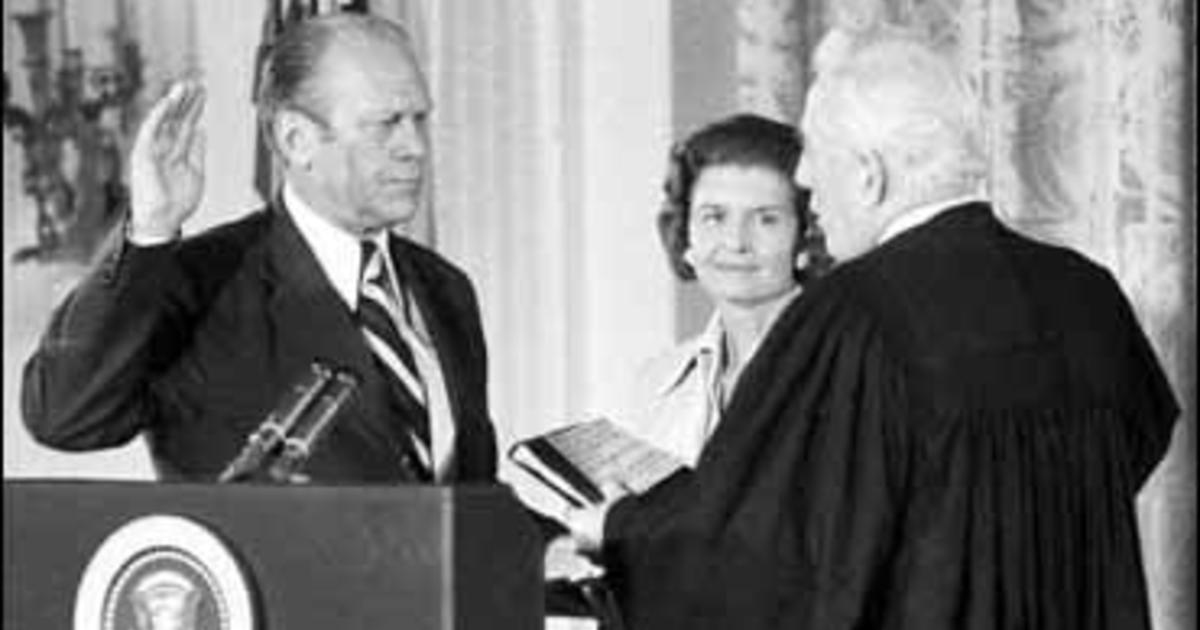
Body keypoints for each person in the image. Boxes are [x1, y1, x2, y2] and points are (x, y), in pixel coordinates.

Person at [564, 27, 1179, 630]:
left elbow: (759, 552)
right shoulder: (1088, 294)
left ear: (868, 174)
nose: (804, 179)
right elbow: (1134, 446)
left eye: (814, 155)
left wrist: (620, 527)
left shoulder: (852, 314)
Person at [21, 13, 497, 484]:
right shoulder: (201, 283)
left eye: (419, 119)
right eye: (387, 123)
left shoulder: (444, 288)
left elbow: (468, 508)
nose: (414, 146)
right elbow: (64, 415)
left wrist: (559, 539)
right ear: (296, 140)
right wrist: (147, 229)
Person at [620, 113, 818, 466]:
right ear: (685, 233)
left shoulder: (844, 371)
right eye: (714, 217)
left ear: (805, 237)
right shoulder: (655, 383)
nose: (735, 242)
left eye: (766, 219)